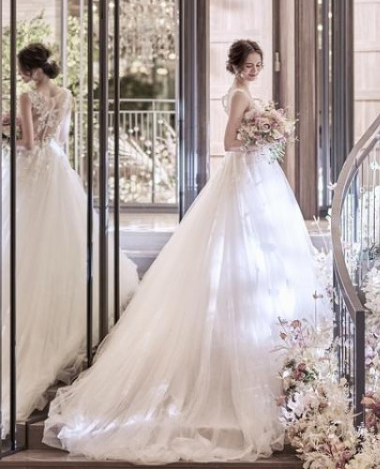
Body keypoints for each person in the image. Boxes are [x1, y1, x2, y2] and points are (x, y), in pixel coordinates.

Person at [43, 39, 322, 464]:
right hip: (245, 174)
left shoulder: (242, 92)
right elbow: (229, 142)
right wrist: (261, 137)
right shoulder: (240, 95)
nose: (254, 70)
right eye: (249, 65)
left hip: (253, 176)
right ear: (236, 66)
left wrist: (265, 134)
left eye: (258, 65)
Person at [1, 43, 139, 433]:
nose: (23, 76)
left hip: (31, 170)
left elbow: (29, 144)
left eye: (23, 69)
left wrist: (6, 130)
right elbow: (58, 140)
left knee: (25, 239)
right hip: (57, 169)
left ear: (32, 69)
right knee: (64, 237)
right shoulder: (66, 95)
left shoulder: (27, 97)